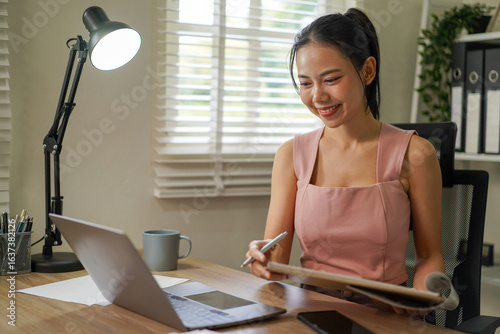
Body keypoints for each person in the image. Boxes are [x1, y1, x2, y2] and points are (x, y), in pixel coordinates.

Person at [245, 8, 445, 314]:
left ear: (367, 71)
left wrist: (422, 296)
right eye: (306, 83)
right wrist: (263, 260)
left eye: (331, 79)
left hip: (385, 315)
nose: (318, 97)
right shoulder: (291, 155)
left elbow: (429, 256)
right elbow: (277, 261)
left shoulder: (416, 155)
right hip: (309, 312)